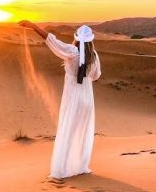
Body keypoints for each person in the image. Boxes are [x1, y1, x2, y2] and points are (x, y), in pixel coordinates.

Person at [19, 20, 101, 179]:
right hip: (87, 96)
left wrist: (34, 26)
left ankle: (62, 170)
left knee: (68, 130)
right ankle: (80, 166)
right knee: (82, 131)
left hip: (73, 96)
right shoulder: (94, 56)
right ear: (91, 40)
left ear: (77, 38)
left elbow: (52, 41)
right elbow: (96, 76)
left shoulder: (72, 51)